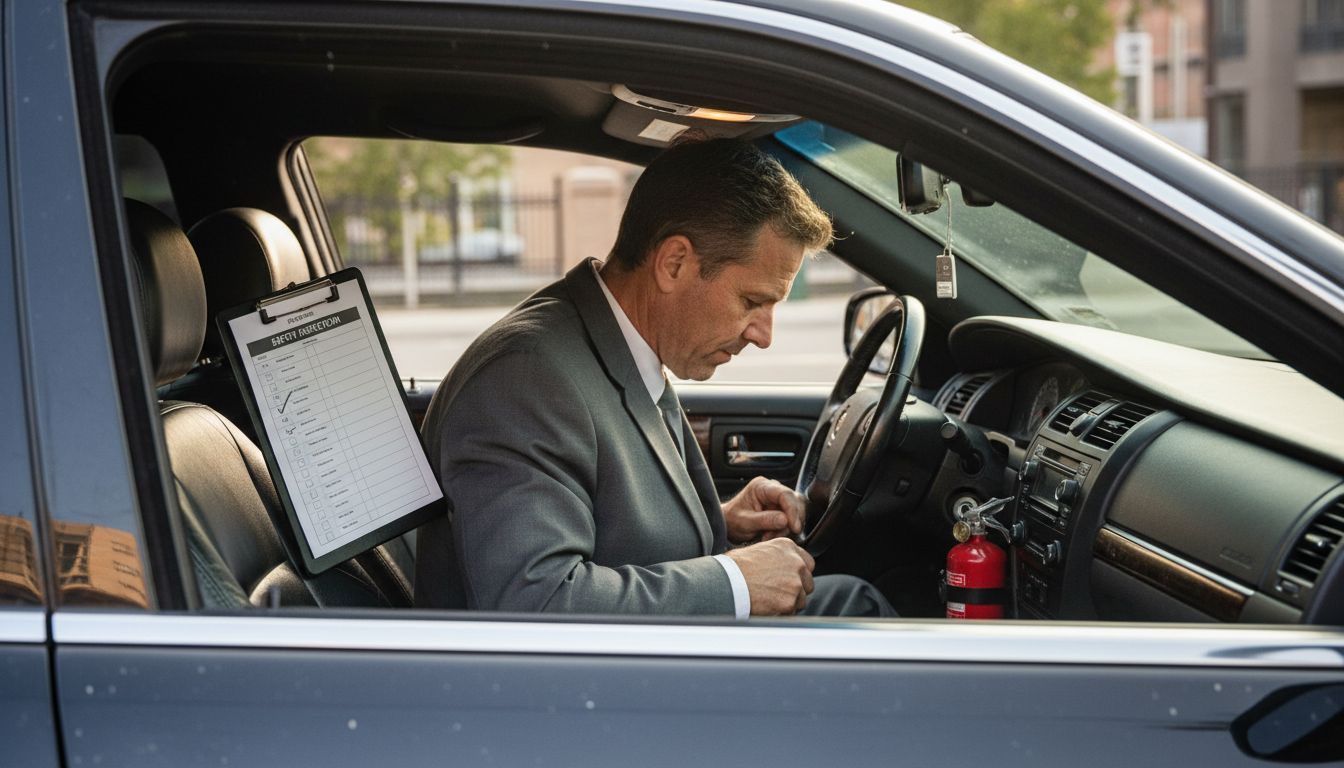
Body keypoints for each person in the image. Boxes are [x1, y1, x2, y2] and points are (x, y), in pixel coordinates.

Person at [414, 137, 894, 618]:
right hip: (597, 686)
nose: (764, 335)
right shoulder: (523, 381)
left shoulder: (611, 341)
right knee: (860, 609)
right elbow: (537, 601)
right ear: (674, 264)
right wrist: (736, 582)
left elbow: (600, 520)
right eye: (752, 301)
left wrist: (719, 523)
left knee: (852, 600)